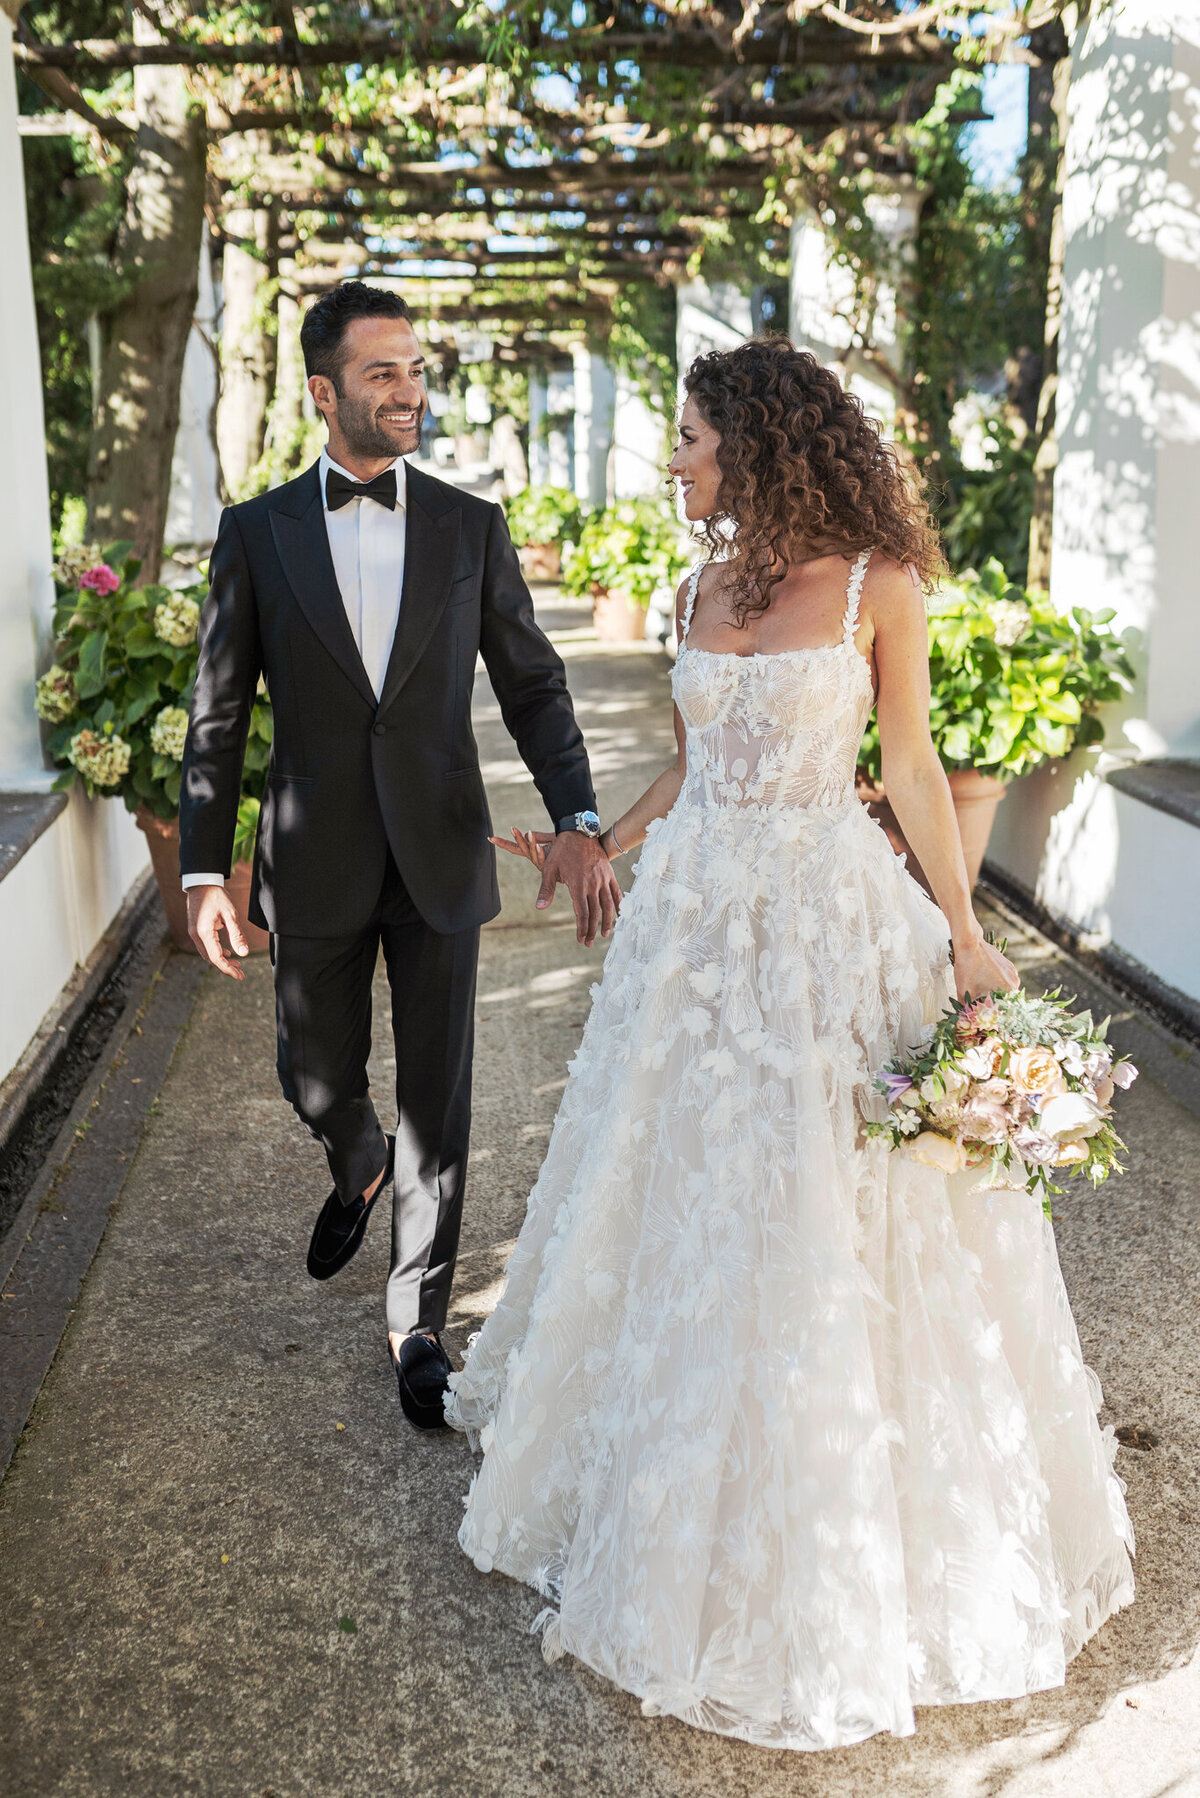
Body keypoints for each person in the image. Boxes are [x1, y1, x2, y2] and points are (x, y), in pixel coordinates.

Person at [445, 337, 1135, 1749]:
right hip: (691, 933)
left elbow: (912, 768)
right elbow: (701, 763)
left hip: (824, 927)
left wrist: (965, 933)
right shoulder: (697, 585)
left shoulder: (884, 586)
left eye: (692, 437)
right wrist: (598, 837)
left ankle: (836, 1505)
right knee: (678, 1191)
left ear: (755, 440)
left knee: (830, 1206)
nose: (677, 460)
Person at [179, 282, 621, 1432]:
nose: (410, 389)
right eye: (383, 373)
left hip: (438, 852)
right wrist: (197, 867)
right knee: (311, 1068)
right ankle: (351, 1155)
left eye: (415, 369)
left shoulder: (472, 526)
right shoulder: (256, 532)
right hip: (310, 853)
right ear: (325, 393)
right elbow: (217, 716)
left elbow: (531, 680)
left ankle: (416, 1317)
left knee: (440, 1098)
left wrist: (576, 812)